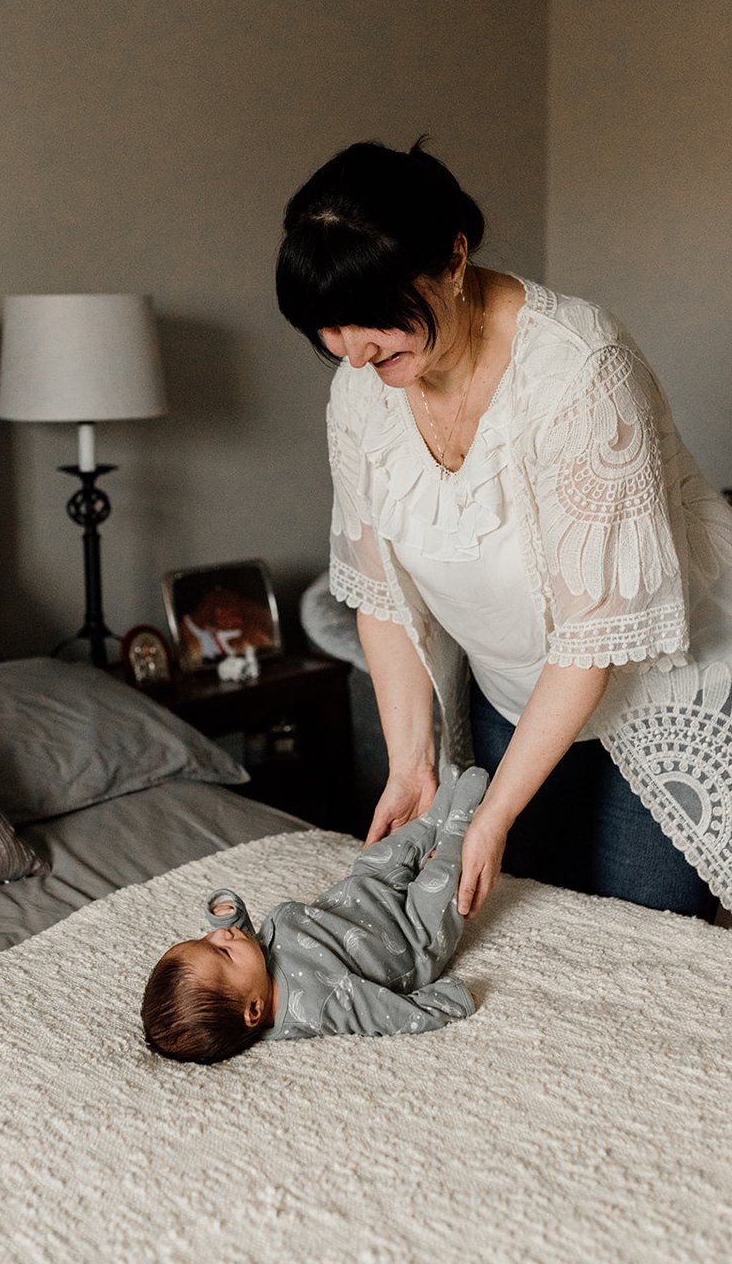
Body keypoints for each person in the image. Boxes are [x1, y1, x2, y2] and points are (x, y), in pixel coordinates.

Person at [276, 138, 732, 922]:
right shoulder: (364, 387)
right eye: (329, 328)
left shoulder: (581, 369)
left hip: (651, 692)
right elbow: (381, 593)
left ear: (453, 259)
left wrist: (493, 815)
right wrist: (411, 765)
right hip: (509, 696)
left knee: (638, 948)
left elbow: (594, 638)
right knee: (525, 936)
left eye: (371, 317)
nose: (351, 352)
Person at [141, 765, 487, 1064]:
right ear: (254, 1011)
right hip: (408, 937)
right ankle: (460, 824)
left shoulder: (253, 975)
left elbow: (248, 949)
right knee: (443, 884)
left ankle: (433, 818)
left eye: (205, 938)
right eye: (221, 950)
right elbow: (382, 1015)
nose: (218, 936)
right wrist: (447, 1003)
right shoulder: (316, 1004)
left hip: (364, 894)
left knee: (377, 857)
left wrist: (230, 922)